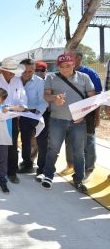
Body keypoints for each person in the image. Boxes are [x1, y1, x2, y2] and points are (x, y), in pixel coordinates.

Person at [41, 53, 95, 193]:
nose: (65, 69)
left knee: (79, 153)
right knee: (53, 149)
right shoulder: (51, 77)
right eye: (62, 66)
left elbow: (92, 98)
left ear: (73, 65)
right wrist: (54, 98)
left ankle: (78, 180)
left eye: (68, 66)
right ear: (58, 66)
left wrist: (83, 114)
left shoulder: (84, 77)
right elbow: (46, 95)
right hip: (57, 120)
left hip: (78, 121)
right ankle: (48, 176)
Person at [62, 51, 103, 181]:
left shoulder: (90, 73)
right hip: (69, 112)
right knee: (69, 139)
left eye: (71, 57)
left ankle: (88, 169)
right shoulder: (65, 73)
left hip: (88, 113)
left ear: (79, 58)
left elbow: (97, 95)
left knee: (88, 141)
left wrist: (96, 116)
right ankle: (71, 164)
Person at [0, 58, 27, 184]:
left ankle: (12, 172)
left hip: (11, 119)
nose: (12, 74)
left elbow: (23, 99)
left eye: (14, 71)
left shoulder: (17, 81)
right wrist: (1, 109)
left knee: (12, 145)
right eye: (10, 71)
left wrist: (15, 108)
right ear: (3, 71)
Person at [17, 59, 48, 174]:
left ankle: (34, 165)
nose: (27, 74)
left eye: (30, 71)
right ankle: (26, 162)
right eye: (24, 71)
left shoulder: (40, 83)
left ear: (34, 70)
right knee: (24, 141)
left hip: (33, 114)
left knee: (33, 141)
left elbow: (43, 101)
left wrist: (36, 114)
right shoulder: (16, 80)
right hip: (18, 114)